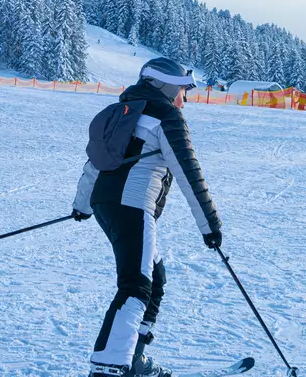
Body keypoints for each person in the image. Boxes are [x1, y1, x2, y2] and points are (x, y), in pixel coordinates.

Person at [73, 58, 222, 377]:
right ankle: (109, 367)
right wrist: (210, 226)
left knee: (154, 277)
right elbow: (188, 172)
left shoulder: (123, 111)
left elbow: (93, 166)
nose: (185, 98)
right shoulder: (167, 116)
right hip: (133, 205)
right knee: (137, 285)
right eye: (182, 90)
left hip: (106, 203)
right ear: (165, 86)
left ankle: (134, 357)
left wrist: (83, 205)